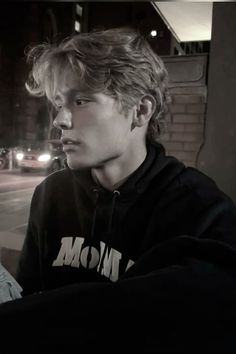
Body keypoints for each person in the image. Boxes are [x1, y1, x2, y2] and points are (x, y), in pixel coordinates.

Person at [1, 27, 236, 352]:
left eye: (80, 100)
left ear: (140, 110)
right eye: (58, 103)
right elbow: (30, 296)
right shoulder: (51, 193)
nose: (59, 120)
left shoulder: (201, 208)